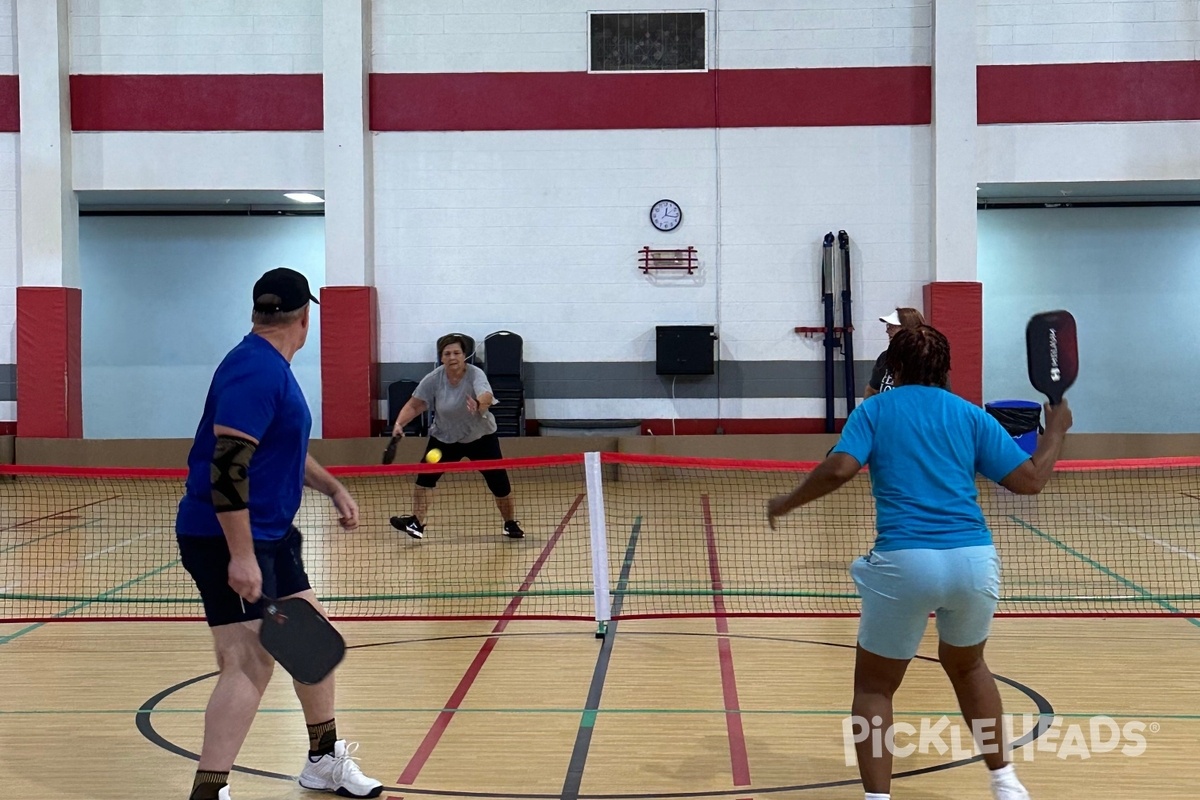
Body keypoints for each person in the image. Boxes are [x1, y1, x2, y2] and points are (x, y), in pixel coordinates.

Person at [766, 325, 1072, 800]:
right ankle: (1005, 782)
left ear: (894, 368)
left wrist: (787, 501)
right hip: (973, 561)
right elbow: (1030, 481)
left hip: (905, 562)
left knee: (874, 688)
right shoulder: (970, 416)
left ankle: (877, 797)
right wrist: (1055, 432)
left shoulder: (875, 410)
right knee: (970, 667)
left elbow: (841, 467)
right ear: (946, 370)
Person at [174, 268, 383, 800]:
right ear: (305, 317)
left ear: (258, 312)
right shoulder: (255, 370)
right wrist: (241, 555)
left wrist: (331, 486)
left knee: (310, 640)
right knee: (249, 660)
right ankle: (209, 789)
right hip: (225, 537)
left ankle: (322, 761)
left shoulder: (267, 366)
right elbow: (227, 467)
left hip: (270, 533)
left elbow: (278, 447)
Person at [389, 333, 524, 540]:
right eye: (447, 353)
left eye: (457, 353)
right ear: (441, 358)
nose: (452, 357)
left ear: (464, 356)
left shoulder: (476, 374)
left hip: (480, 438)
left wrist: (479, 404)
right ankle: (416, 522)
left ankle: (510, 523)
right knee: (425, 478)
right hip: (444, 439)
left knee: (499, 483)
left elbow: (486, 396)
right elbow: (415, 404)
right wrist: (399, 424)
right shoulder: (434, 379)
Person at [863, 307, 929, 398]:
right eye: (888, 326)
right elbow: (871, 390)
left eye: (893, 326)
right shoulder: (885, 357)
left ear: (910, 329)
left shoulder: (930, 360)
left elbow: (940, 398)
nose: (887, 331)